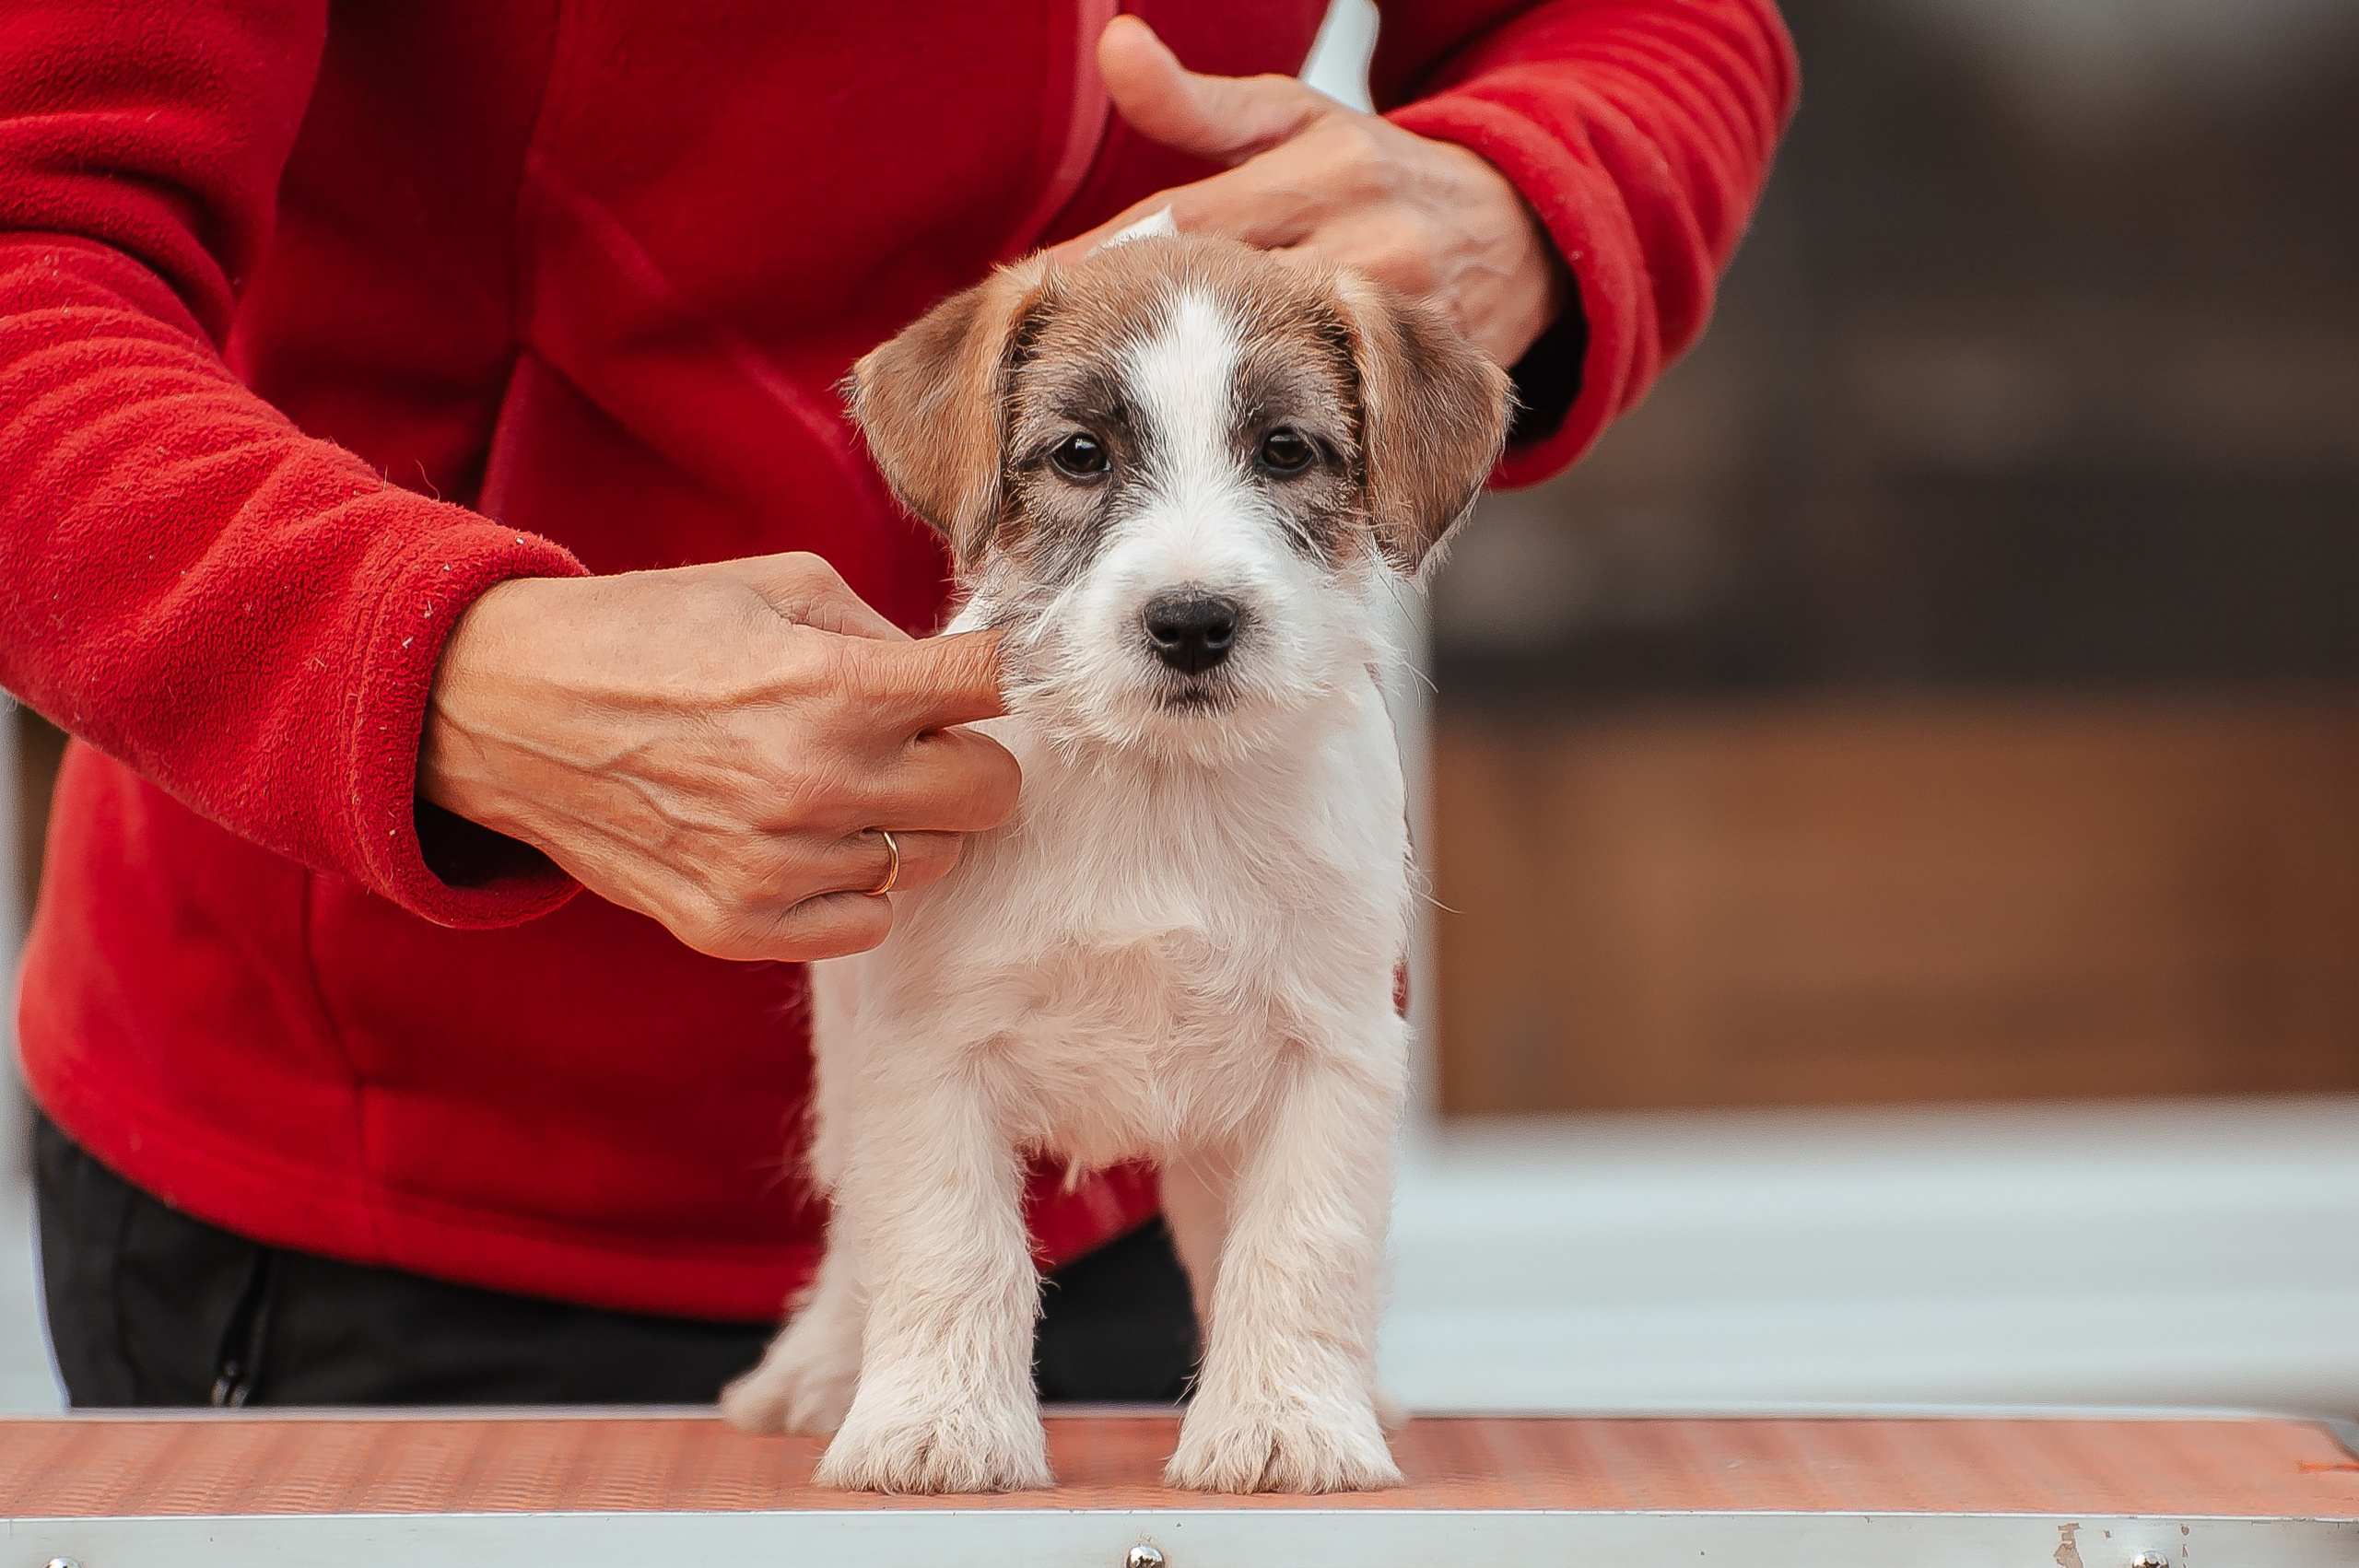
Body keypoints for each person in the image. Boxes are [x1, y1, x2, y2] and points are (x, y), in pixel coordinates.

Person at [0, 3, 1796, 1405]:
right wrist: (435, 668)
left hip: (1111, 1191)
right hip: (398, 1172)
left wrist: (1521, 191)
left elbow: (1645, 19)